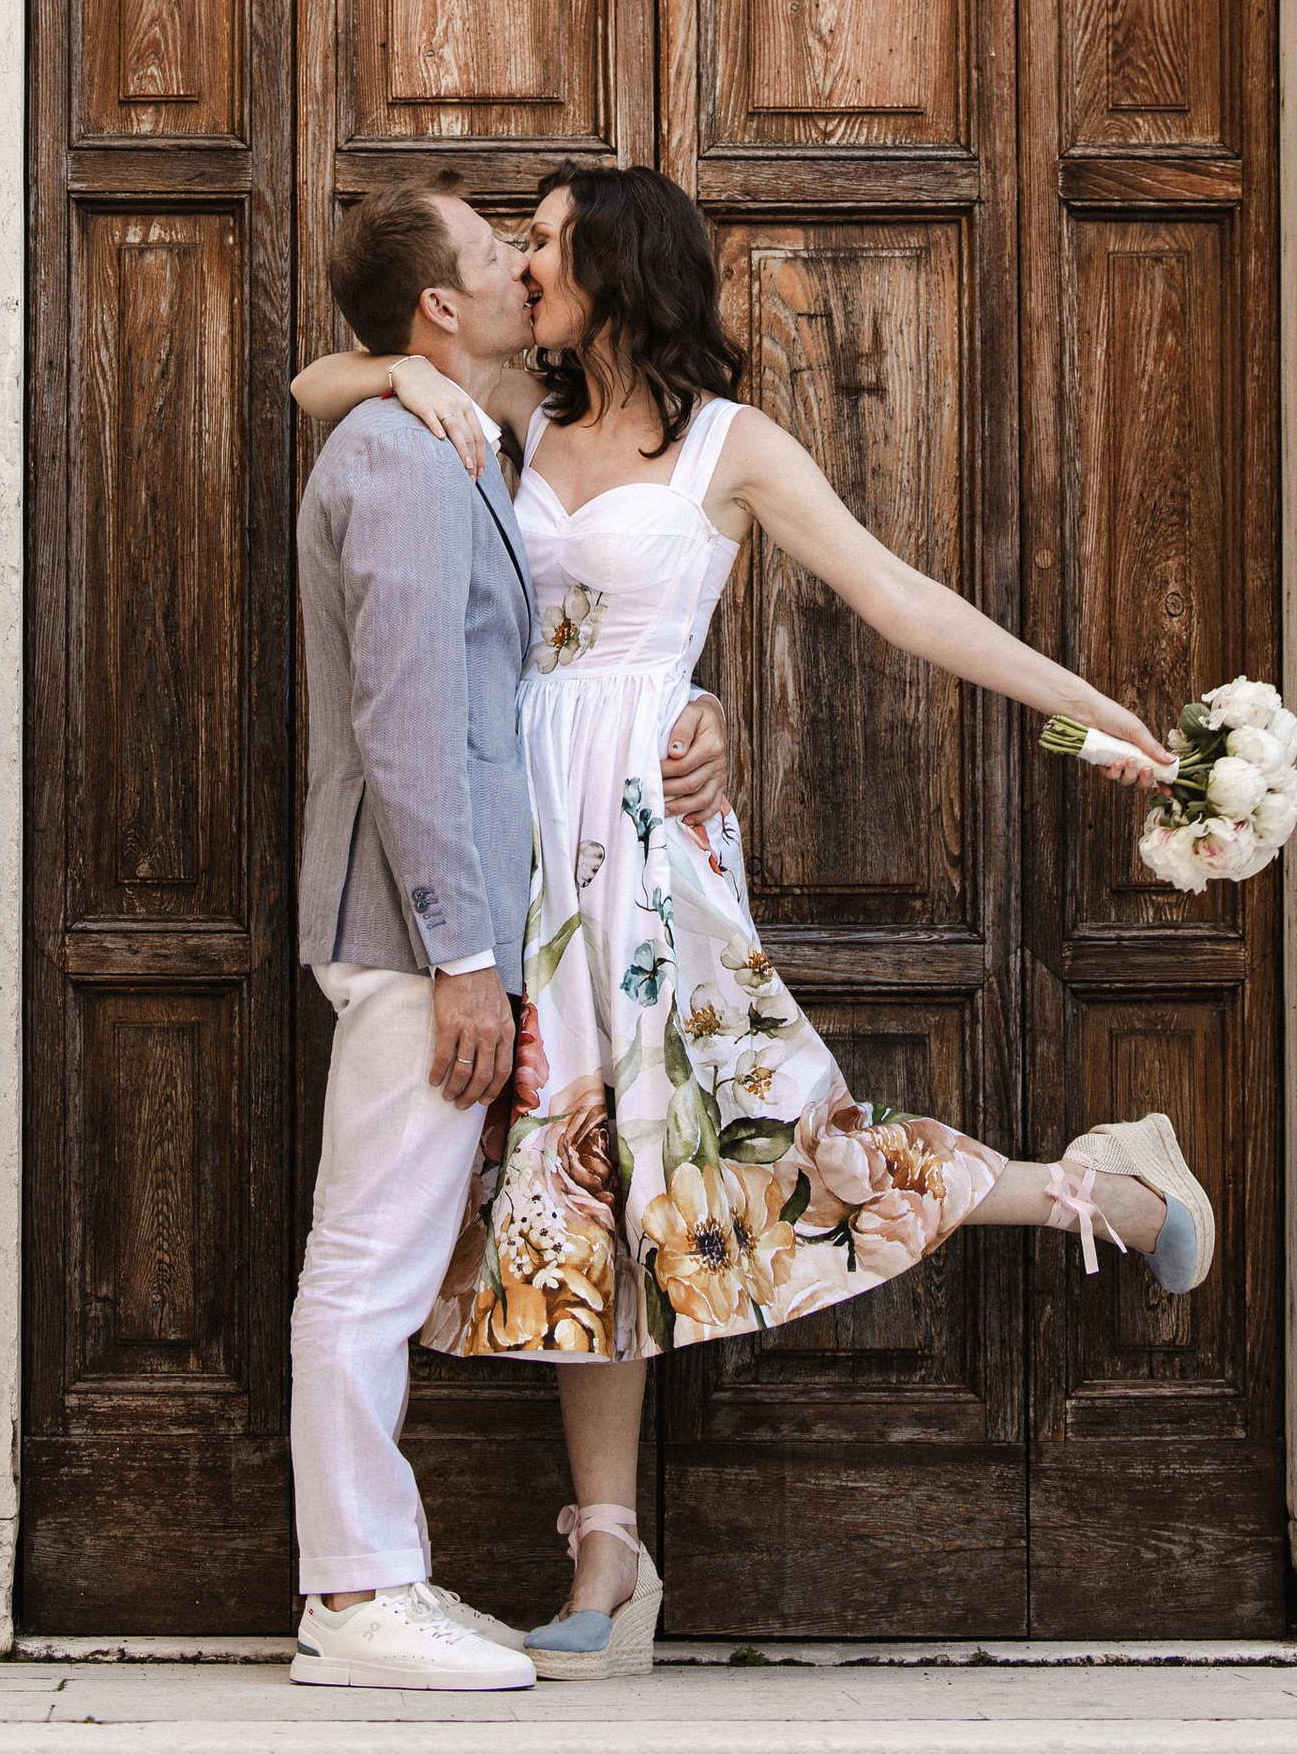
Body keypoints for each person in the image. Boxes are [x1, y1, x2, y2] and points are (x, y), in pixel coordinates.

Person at [290, 161, 1217, 1682]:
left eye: (549, 245)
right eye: (510, 249)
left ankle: (1098, 1188)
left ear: (614, 271)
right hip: (520, 851)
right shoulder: (509, 414)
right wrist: (399, 359)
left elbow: (904, 601)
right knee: (585, 1183)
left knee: (779, 1144)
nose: (526, 266)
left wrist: (1094, 724)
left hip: (649, 857)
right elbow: (315, 380)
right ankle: (607, 1560)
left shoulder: (733, 447)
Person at [285, 173, 733, 1693]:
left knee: (382, 1257)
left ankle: (373, 1580)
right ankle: (356, 1596)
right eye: (494, 256)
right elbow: (415, 729)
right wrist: (463, 957)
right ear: (439, 306)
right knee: (368, 1266)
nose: (520, 274)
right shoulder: (411, 464)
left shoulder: (452, 434)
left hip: (449, 926)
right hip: (427, 935)